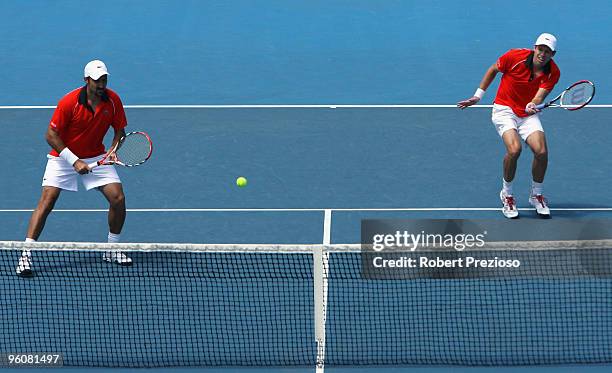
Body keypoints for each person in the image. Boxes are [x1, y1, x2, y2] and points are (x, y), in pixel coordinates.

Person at [16, 60, 132, 277]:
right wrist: (73, 160)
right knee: (47, 201)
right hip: (63, 157)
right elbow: (51, 136)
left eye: (104, 80)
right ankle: (25, 255)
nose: (101, 85)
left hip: (97, 155)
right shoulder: (69, 102)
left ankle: (112, 249)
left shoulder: (113, 100)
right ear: (86, 80)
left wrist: (114, 150)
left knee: (118, 198)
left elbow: (120, 131)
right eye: (97, 81)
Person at [457, 33, 560, 219]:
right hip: (504, 110)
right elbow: (492, 70)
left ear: (553, 54)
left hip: (526, 114)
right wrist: (478, 96)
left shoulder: (554, 72)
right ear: (534, 47)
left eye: (547, 52)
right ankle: (507, 194)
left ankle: (536, 195)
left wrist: (533, 103)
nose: (542, 54)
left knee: (542, 152)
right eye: (540, 49)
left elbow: (540, 95)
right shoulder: (514, 57)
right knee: (514, 150)